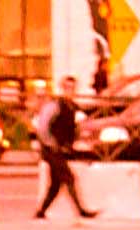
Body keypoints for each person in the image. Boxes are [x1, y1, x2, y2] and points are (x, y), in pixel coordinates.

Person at [33, 76, 96, 219]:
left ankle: (41, 212)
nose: (70, 91)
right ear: (62, 88)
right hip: (51, 150)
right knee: (69, 178)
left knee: (55, 184)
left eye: (72, 88)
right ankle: (81, 211)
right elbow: (42, 127)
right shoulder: (55, 105)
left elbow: (76, 127)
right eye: (67, 88)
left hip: (60, 150)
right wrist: (50, 143)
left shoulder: (72, 107)